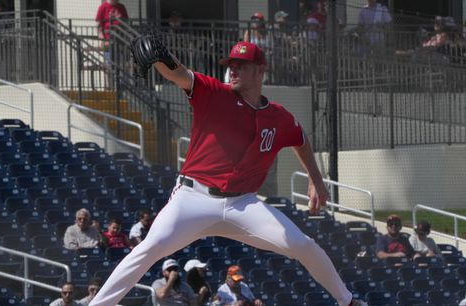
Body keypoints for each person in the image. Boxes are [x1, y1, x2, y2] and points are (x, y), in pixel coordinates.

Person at [89, 38, 367, 306]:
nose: (232, 69)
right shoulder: (214, 93)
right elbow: (181, 73)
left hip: (241, 204)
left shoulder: (278, 116)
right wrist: (162, 57)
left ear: (260, 70)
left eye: (241, 65)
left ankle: (348, 301)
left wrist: (316, 181)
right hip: (193, 198)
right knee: (151, 246)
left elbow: (301, 139)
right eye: (231, 64)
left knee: (302, 245)